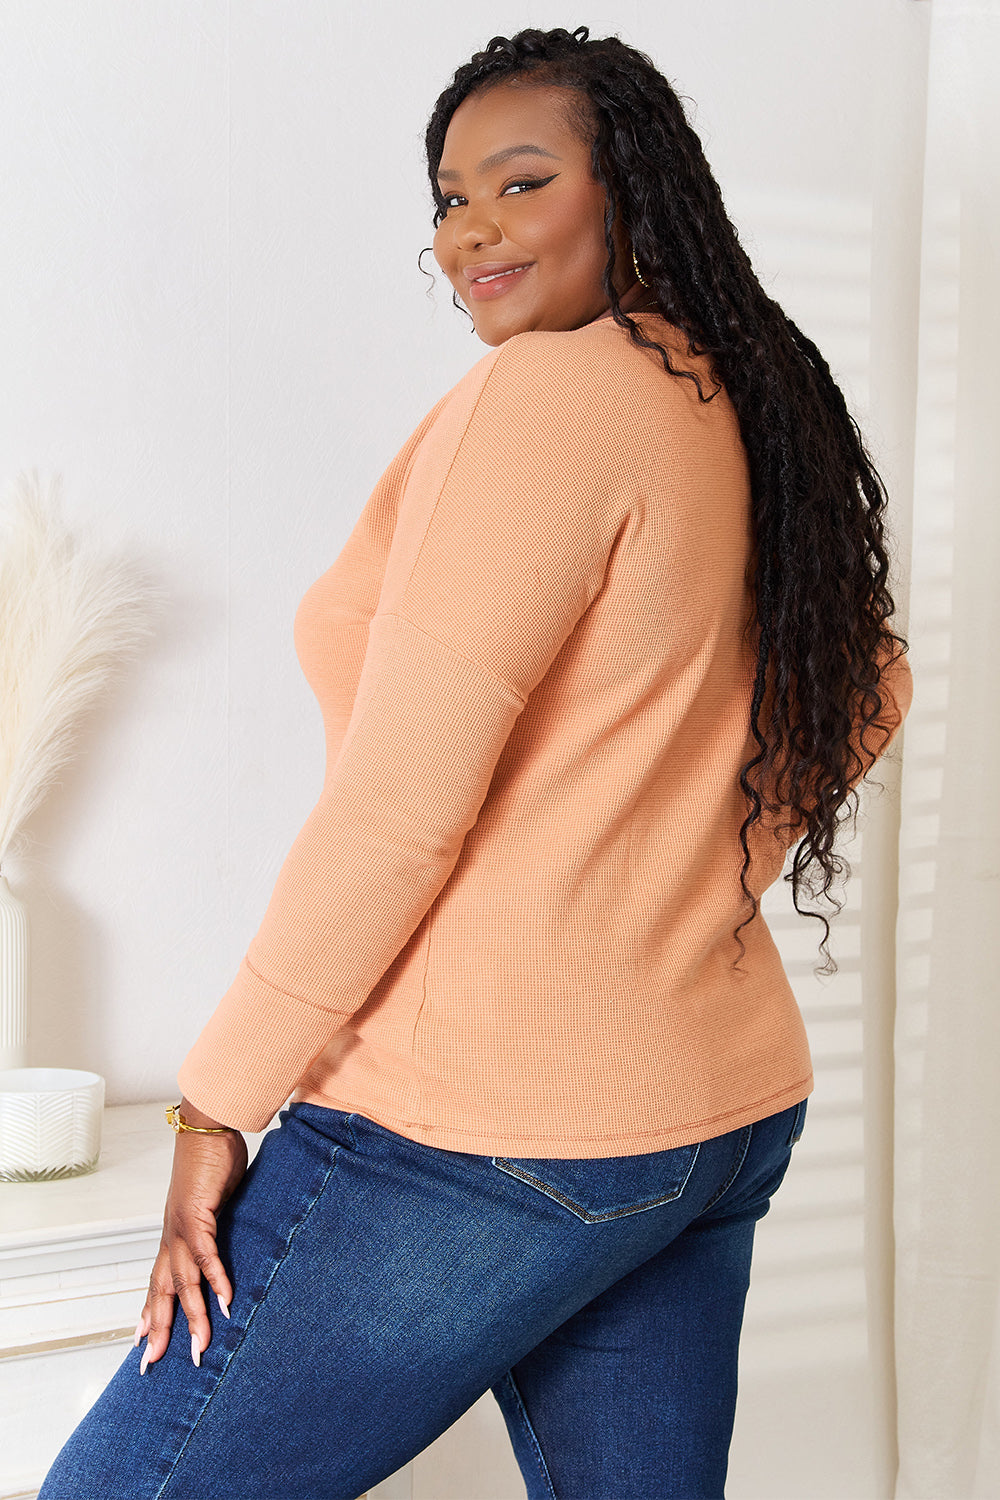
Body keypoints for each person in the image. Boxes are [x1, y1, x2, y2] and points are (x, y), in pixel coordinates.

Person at [39, 24, 912, 1500]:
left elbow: (397, 813)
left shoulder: (559, 395)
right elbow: (866, 682)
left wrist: (215, 1103)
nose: (473, 233)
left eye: (522, 181)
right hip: (713, 1111)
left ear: (630, 185)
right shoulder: (751, 398)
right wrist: (672, 890)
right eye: (450, 200)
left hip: (488, 1135)